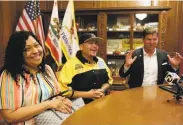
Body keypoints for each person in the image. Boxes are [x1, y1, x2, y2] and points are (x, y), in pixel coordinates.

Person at [0, 31, 72, 125]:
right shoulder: (10, 75)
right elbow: (9, 116)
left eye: (36, 45)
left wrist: (63, 101)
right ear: (17, 54)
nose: (35, 51)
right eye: (27, 49)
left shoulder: (46, 69)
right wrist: (47, 104)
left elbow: (57, 94)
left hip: (54, 119)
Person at [58, 33, 113, 104]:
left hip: (101, 103)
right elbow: (64, 91)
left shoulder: (101, 61)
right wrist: (88, 95)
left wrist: (101, 90)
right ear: (81, 47)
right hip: (79, 106)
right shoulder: (70, 64)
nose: (95, 46)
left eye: (96, 43)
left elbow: (109, 81)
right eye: (90, 43)